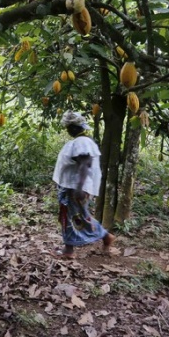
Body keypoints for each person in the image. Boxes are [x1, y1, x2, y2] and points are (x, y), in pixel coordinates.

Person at [52, 111, 115, 259]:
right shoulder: (81, 141)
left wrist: (80, 187)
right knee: (72, 216)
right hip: (72, 186)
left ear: (74, 128)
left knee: (76, 216)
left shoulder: (82, 142)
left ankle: (102, 237)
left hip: (75, 187)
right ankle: (70, 248)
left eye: (69, 127)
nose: (67, 130)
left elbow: (85, 164)